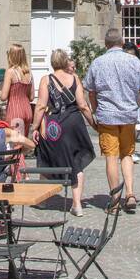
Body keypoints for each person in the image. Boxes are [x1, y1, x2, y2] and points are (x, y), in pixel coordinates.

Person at [84, 28, 140, 213]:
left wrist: (96, 109)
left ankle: (114, 200)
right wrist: (135, 106)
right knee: (127, 154)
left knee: (111, 157)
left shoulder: (98, 63)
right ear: (122, 43)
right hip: (128, 116)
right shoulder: (134, 61)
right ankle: (130, 193)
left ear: (106, 44)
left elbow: (90, 91)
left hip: (107, 116)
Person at [32, 48, 96, 216]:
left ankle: (43, 200)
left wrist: (34, 127)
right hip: (75, 123)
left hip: (55, 126)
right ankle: (77, 205)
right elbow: (83, 105)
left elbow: (40, 106)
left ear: (52, 63)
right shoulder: (74, 78)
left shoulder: (46, 80)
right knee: (76, 161)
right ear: (65, 61)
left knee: (46, 158)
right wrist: (93, 123)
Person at [0, 43, 34, 138]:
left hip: (15, 111)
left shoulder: (10, 72)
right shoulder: (29, 73)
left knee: (15, 145)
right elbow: (31, 97)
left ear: (12, 56)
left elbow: (3, 97)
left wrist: (0, 92)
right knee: (23, 143)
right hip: (28, 110)